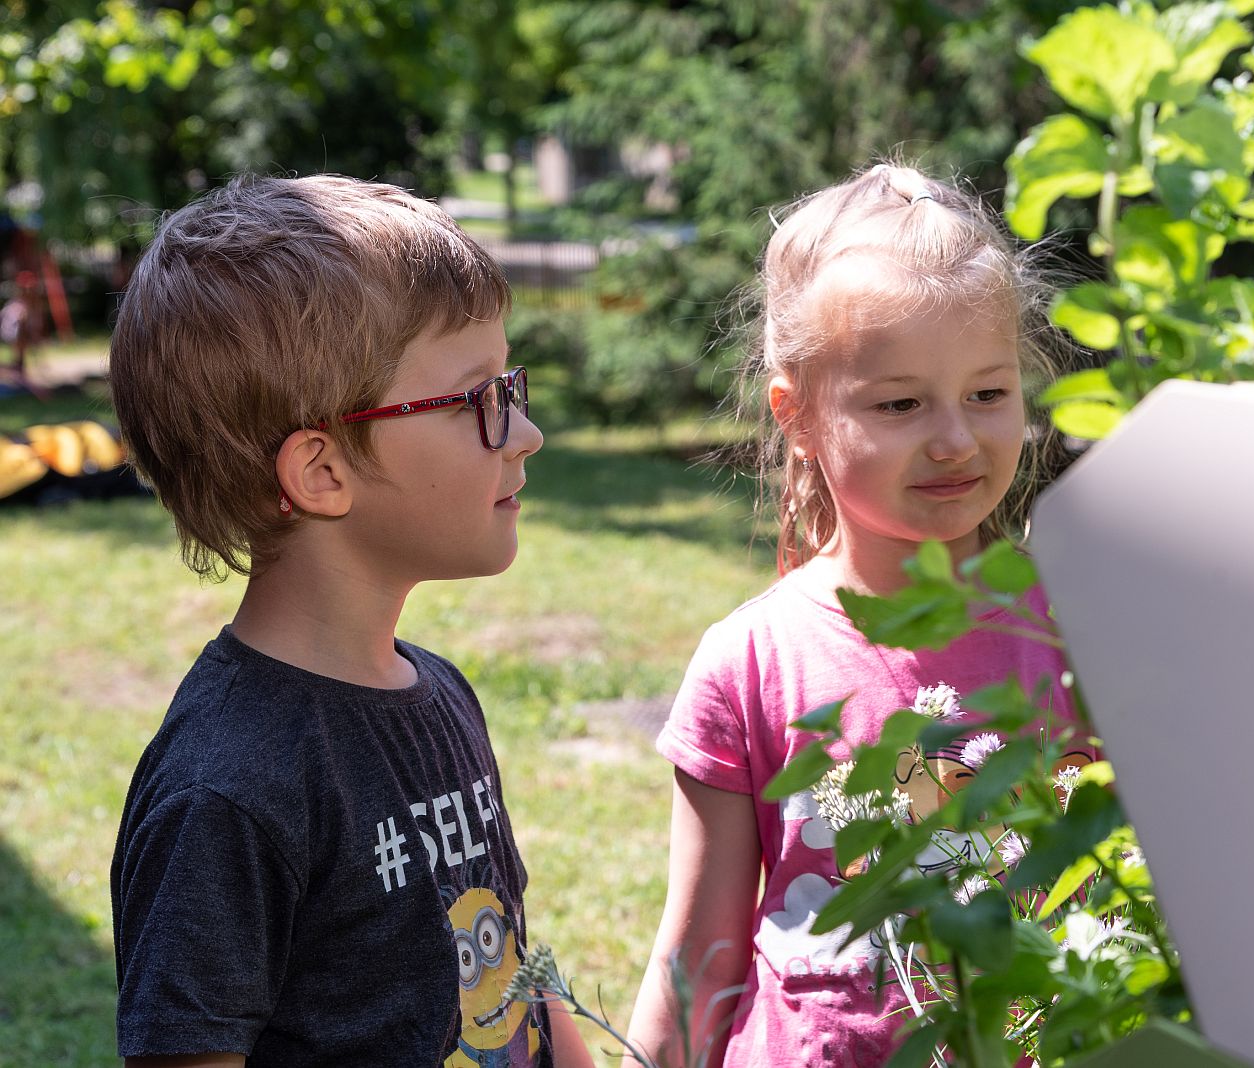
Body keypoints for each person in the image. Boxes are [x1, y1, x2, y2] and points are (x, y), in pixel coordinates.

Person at [107, 175, 592, 1068]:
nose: (523, 432)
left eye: (511, 385)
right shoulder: (226, 788)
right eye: (477, 398)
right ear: (321, 473)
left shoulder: (440, 692)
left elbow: (504, 961)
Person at [627, 163, 1097, 1067]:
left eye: (988, 394)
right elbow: (698, 956)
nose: (956, 438)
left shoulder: (1077, 630)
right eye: (901, 404)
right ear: (796, 414)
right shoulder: (751, 660)